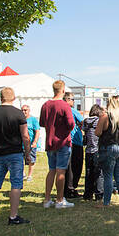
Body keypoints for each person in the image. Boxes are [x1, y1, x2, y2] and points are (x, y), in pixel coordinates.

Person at [0, 87, 31, 224]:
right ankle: (13, 216)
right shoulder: (18, 114)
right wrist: (27, 153)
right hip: (15, 152)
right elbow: (25, 136)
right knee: (16, 184)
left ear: (0, 98)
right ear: (14, 98)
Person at [40, 80, 75, 209]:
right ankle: (60, 200)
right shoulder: (64, 105)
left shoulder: (46, 105)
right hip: (62, 142)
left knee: (52, 170)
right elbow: (71, 124)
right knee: (61, 171)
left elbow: (42, 123)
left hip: (50, 142)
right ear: (63, 90)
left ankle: (47, 199)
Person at [95, 97, 119, 206]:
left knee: (108, 175)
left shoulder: (105, 116)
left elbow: (97, 132)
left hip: (109, 147)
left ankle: (106, 202)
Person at [63, 92, 84, 198]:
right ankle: (71, 188)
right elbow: (83, 122)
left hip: (65, 142)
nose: (73, 101)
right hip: (75, 141)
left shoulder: (61, 110)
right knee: (75, 166)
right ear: (67, 100)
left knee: (68, 166)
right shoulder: (72, 111)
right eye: (72, 99)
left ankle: (67, 188)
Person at [82, 105, 104, 201]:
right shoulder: (99, 121)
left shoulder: (86, 121)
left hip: (88, 150)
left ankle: (88, 194)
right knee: (99, 173)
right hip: (97, 150)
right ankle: (99, 194)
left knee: (88, 172)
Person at [22, 104, 40, 182]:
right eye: (22, 110)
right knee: (20, 160)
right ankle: (22, 174)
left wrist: (35, 141)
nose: (23, 112)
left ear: (29, 111)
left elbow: (37, 131)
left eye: (25, 110)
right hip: (21, 144)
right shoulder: (20, 120)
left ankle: (29, 175)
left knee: (31, 160)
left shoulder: (33, 120)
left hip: (31, 144)